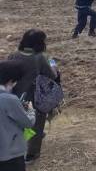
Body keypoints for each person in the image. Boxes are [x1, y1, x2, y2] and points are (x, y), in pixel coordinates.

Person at [7, 29, 58, 163]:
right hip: (34, 98)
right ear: (39, 43)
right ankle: (32, 154)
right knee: (37, 125)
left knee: (18, 122)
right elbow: (52, 76)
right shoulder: (39, 58)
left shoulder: (14, 55)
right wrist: (53, 66)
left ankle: (16, 145)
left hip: (15, 96)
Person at [0, 60, 36, 171]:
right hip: (11, 154)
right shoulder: (9, 99)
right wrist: (30, 110)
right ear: (10, 81)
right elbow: (27, 123)